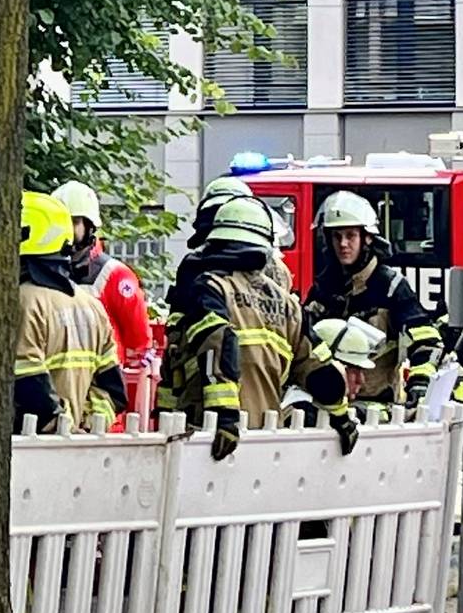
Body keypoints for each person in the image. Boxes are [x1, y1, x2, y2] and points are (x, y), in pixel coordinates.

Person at [162, 195, 303, 460]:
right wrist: (340, 415)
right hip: (267, 432)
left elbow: (218, 341)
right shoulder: (288, 303)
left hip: (210, 435)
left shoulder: (210, 286)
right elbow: (315, 363)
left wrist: (225, 416)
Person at [301, 189, 445, 412]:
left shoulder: (390, 285)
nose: (343, 244)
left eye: (350, 235)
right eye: (336, 236)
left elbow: (426, 340)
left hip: (376, 408)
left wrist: (420, 383)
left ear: (367, 237)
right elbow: (303, 342)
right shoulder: (324, 287)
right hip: (326, 405)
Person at [16, 191, 117, 433]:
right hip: (73, 444)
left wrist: (59, 423)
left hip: (27, 443)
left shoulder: (22, 301)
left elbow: (26, 379)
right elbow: (112, 387)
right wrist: (91, 424)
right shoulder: (92, 306)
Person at [52, 181, 152, 415]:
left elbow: (138, 341)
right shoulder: (43, 272)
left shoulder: (115, 276)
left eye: (74, 222)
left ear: (90, 227)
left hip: (100, 401)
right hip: (57, 394)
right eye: (60, 221)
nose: (66, 229)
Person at [285, 317, 387, 454]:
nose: (361, 380)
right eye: (354, 370)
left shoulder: (328, 407)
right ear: (331, 367)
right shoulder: (300, 408)